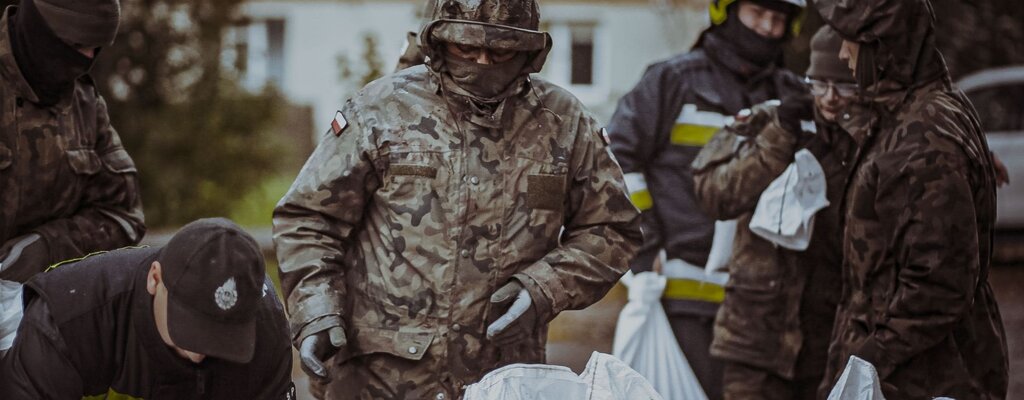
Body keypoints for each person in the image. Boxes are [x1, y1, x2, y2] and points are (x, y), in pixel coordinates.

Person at [273, 0, 642, 399]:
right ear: (439, 42)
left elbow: (612, 228)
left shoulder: (563, 123)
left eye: (500, 50)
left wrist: (545, 286)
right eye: (467, 48)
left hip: (503, 377)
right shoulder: (382, 109)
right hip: (378, 377)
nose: (483, 61)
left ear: (528, 51)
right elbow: (309, 219)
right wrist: (316, 309)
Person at [605, 0, 806, 397]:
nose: (766, 27)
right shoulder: (671, 81)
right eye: (757, 13)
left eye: (778, 19)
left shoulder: (792, 97)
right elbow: (615, 161)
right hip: (682, 298)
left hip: (767, 309)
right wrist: (644, 246)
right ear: (726, 12)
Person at [814, 0, 1009, 398]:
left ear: (881, 46)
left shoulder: (923, 133)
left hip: (918, 380)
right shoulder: (915, 111)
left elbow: (939, 284)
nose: (842, 52)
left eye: (851, 40)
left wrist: (869, 360)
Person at [691, 25, 855, 400]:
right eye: (820, 83)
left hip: (827, 340)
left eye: (844, 86)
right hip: (753, 338)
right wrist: (780, 135)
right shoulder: (767, 121)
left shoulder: (869, 137)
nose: (830, 98)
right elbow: (714, 193)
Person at [0, 218, 294, 399]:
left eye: (221, 338)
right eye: (189, 328)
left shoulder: (265, 328)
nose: (198, 353)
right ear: (155, 279)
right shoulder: (69, 319)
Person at [0, 0, 145, 283]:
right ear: (39, 29)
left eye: (95, 48)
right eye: (77, 45)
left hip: (42, 308)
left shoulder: (85, 105)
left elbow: (123, 217)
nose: (86, 58)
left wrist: (46, 247)